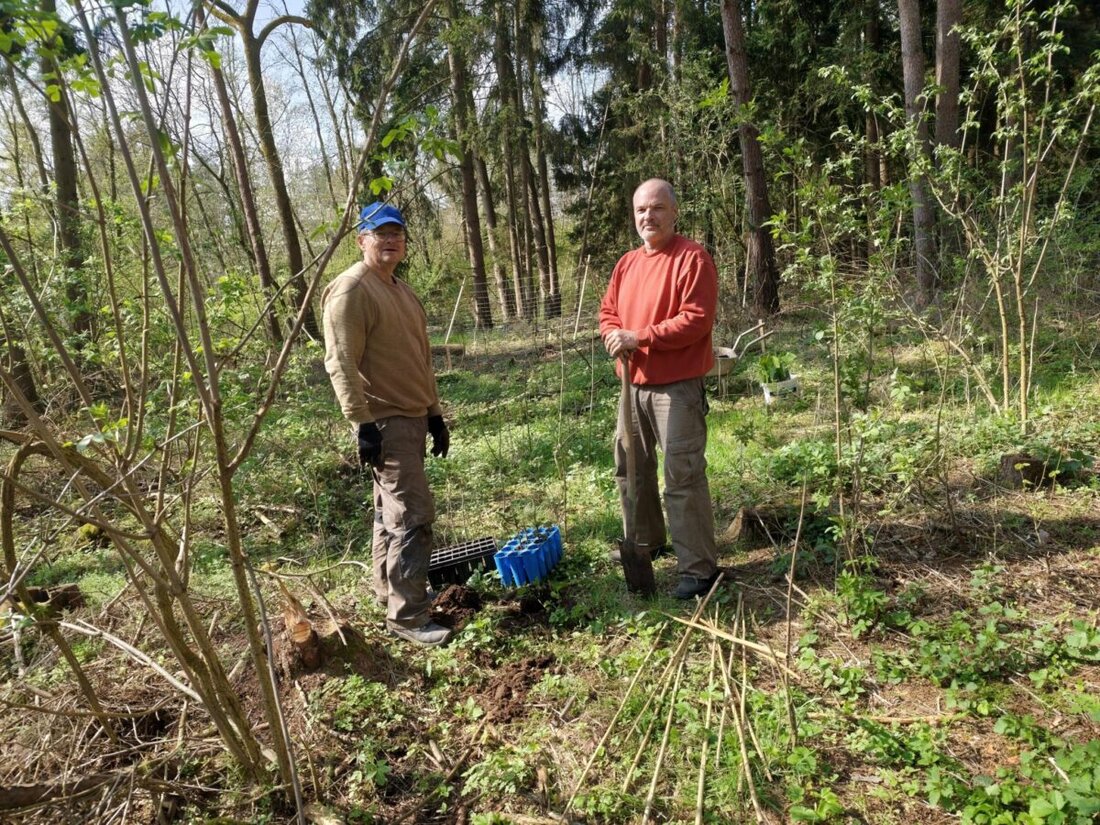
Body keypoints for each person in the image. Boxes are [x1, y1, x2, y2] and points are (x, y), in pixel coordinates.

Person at [322, 202, 453, 646]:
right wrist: (362, 423)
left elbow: (420, 359)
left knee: (388, 515)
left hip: (413, 417)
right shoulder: (352, 289)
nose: (390, 240)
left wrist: (434, 413)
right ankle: (409, 617)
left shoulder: (400, 290)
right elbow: (339, 361)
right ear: (362, 240)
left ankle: (389, 590)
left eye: (397, 233)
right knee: (413, 518)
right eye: (380, 234)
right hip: (385, 422)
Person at [598, 178, 720, 599]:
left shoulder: (692, 258)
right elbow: (608, 312)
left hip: (677, 389)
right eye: (640, 211)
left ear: (674, 212)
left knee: (681, 474)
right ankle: (646, 542)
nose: (648, 217)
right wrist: (614, 334)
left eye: (657, 208)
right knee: (631, 467)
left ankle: (699, 569)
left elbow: (697, 319)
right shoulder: (627, 263)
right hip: (632, 386)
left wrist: (640, 337)